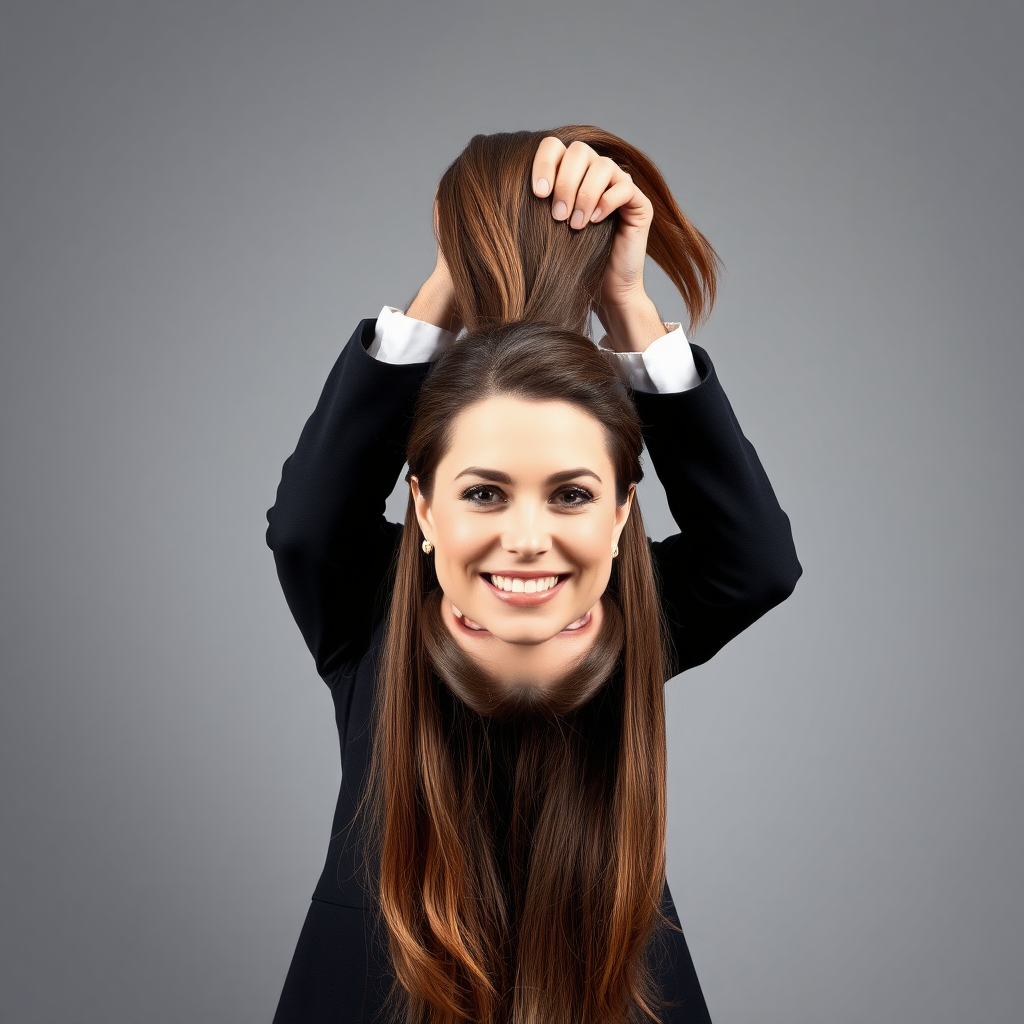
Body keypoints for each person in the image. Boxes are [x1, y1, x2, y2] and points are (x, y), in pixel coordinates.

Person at [266, 127, 802, 1024]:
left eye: (570, 494)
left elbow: (754, 560)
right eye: (482, 491)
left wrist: (630, 303)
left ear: (622, 512)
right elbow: (309, 524)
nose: (527, 541)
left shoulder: (625, 616)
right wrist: (451, 273)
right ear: (423, 511)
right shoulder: (372, 622)